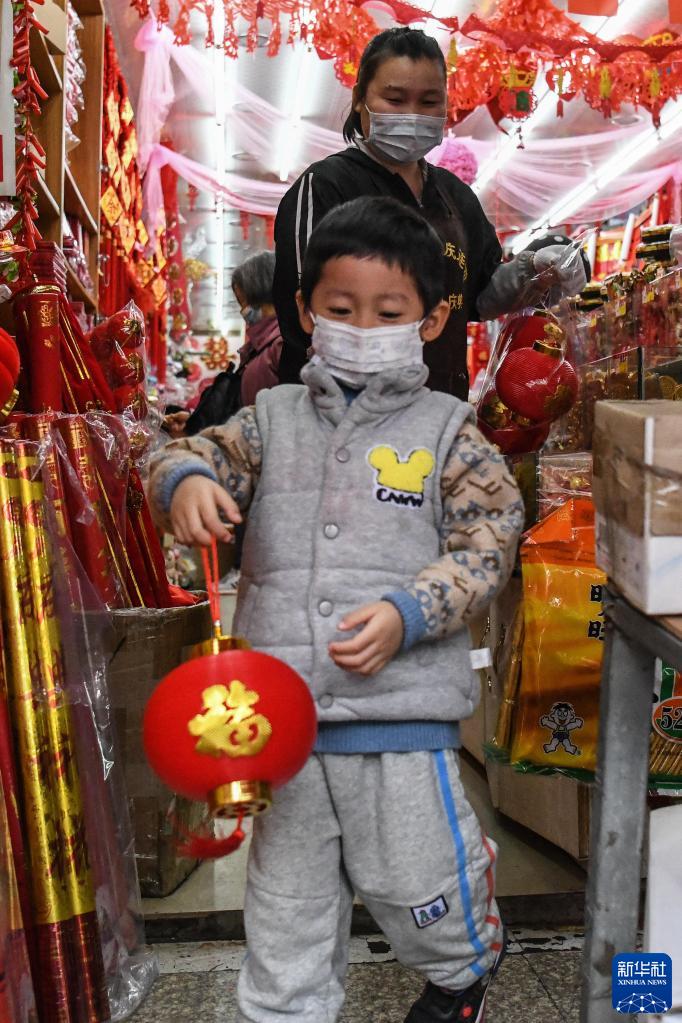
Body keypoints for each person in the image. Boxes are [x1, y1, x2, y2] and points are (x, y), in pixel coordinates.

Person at [148, 196, 525, 1023]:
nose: (361, 324)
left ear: (429, 321)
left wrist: (409, 609)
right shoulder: (270, 419)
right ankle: (284, 1008)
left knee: (418, 881)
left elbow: (489, 540)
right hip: (282, 725)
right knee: (286, 904)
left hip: (402, 719)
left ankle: (463, 969)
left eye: (388, 312)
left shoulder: (448, 429)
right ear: (308, 310)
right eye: (340, 308)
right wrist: (187, 483)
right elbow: (181, 451)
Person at [273, 26, 586, 399]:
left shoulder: (455, 196)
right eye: (395, 99)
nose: (412, 114)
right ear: (360, 99)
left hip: (439, 407)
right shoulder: (327, 185)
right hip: (343, 410)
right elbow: (304, 309)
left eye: (428, 102)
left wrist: (535, 269)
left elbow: (481, 296)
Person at [184, 251, 283, 436]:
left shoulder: (280, 346)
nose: (243, 311)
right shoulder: (258, 347)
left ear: (261, 293)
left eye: (243, 302)